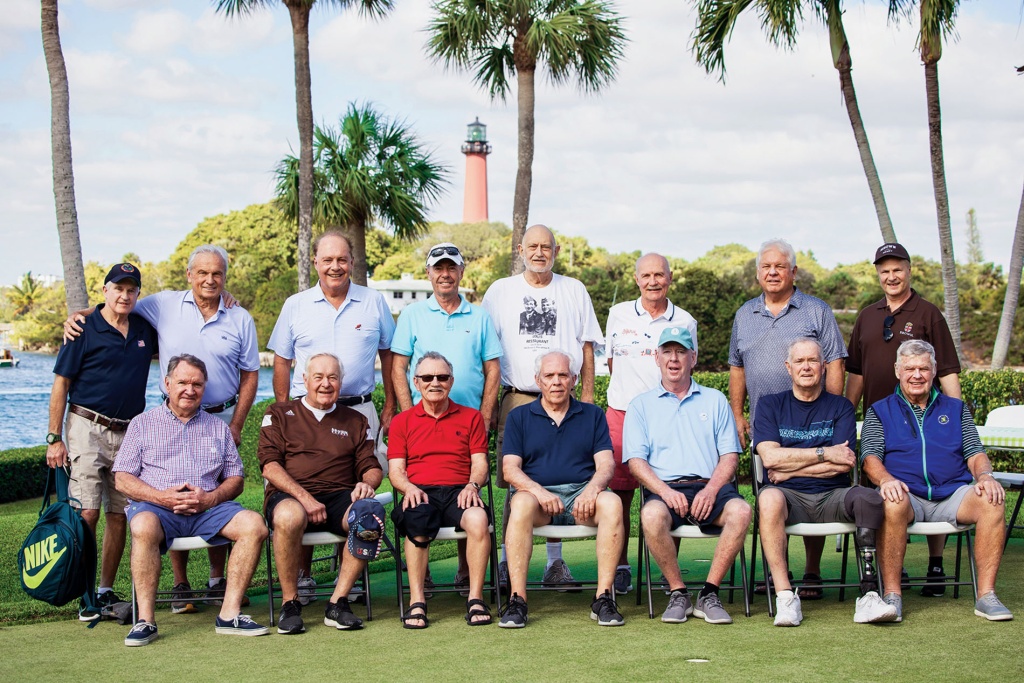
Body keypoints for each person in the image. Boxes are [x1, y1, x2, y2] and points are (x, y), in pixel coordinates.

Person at [65, 245, 261, 612]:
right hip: (173, 413)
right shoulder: (165, 304)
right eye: (202, 272)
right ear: (189, 275)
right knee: (173, 483)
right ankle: (181, 585)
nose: (209, 279)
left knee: (217, 495)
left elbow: (251, 374)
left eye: (217, 274)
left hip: (220, 417)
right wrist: (79, 316)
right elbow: (119, 303)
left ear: (225, 278)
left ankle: (218, 580)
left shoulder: (240, 317)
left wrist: (235, 424)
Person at [268, 230, 396, 601]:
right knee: (304, 481)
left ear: (352, 263)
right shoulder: (296, 304)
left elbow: (389, 354)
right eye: (327, 260)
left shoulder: (373, 301)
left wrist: (388, 404)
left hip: (359, 408)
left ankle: (347, 578)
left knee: (356, 485)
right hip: (305, 413)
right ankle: (303, 574)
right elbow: (281, 359)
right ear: (315, 263)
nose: (335, 266)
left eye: (342, 259)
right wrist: (283, 408)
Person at [113, 354, 270, 646]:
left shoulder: (217, 427)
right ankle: (145, 621)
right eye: (183, 382)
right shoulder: (142, 424)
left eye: (197, 384)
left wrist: (209, 499)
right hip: (158, 509)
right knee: (143, 525)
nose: (190, 389)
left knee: (254, 525)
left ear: (204, 387)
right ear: (167, 383)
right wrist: (162, 497)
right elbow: (122, 478)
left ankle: (229, 614)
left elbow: (236, 479)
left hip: (207, 509)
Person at [482, 224, 604, 592]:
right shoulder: (500, 291)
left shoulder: (574, 289)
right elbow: (487, 349)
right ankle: (507, 562)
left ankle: (554, 563)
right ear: (520, 248)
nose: (539, 252)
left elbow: (586, 346)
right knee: (515, 483)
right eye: (532, 246)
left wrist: (589, 396)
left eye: (545, 246)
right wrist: (488, 405)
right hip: (519, 395)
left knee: (563, 473)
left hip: (567, 398)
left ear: (556, 249)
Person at [862, 339, 1013, 622]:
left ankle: (986, 596)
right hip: (907, 495)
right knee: (891, 502)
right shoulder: (879, 410)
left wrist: (985, 476)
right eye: (910, 368)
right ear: (897, 371)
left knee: (992, 500)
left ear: (934, 371)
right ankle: (893, 595)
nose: (916, 375)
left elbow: (974, 452)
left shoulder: (955, 408)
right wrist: (885, 480)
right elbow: (870, 456)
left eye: (924, 368)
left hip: (953, 494)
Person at [729, 238, 847, 598]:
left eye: (780, 266)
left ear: (793, 271)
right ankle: (774, 572)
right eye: (766, 267)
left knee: (817, 490)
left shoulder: (816, 311)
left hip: (814, 419)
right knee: (770, 493)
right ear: (757, 273)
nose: (773, 272)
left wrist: (833, 409)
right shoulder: (744, 314)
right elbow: (737, 367)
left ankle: (812, 573)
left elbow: (836, 362)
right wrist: (738, 414)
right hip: (768, 426)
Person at [753, 338, 896, 626]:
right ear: (788, 367)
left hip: (834, 495)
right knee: (767, 498)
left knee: (869, 498)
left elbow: (842, 463)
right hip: (788, 498)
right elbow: (769, 458)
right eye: (800, 361)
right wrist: (823, 452)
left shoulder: (841, 407)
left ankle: (869, 596)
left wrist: (791, 468)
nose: (806, 367)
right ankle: (785, 598)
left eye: (813, 361)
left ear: (824, 366)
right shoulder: (770, 405)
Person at [846, 242, 962, 596]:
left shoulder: (928, 314)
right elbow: (856, 373)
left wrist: (956, 418)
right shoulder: (867, 315)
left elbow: (947, 371)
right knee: (883, 492)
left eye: (897, 269)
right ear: (878, 274)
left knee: (938, 480)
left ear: (909, 270)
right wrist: (844, 417)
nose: (891, 276)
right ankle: (890, 568)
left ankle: (936, 566)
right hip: (881, 420)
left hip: (924, 417)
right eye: (884, 270)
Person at [46, 263, 158, 621]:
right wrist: (54, 438)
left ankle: (105, 590)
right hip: (85, 426)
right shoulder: (83, 330)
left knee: (119, 514)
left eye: (131, 290)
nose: (124, 295)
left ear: (137, 294)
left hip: (130, 431)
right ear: (105, 290)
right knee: (87, 512)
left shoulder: (144, 329)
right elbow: (61, 385)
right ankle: (84, 593)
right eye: (118, 288)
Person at [391, 242, 501, 594]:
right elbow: (399, 367)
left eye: (451, 267)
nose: (445, 274)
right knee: (429, 486)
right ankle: (420, 576)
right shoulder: (412, 315)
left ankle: (466, 571)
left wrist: (484, 417)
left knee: (464, 489)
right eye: (438, 268)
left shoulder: (480, 316)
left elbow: (492, 370)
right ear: (429, 273)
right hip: (425, 418)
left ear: (461, 272)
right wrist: (410, 414)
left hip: (467, 421)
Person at [624, 327, 752, 625]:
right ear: (656, 358)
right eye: (667, 352)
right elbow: (636, 463)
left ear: (693, 358)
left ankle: (709, 592)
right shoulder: (641, 405)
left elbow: (730, 457)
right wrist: (666, 493)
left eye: (681, 351)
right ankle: (678, 591)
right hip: (665, 489)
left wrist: (711, 490)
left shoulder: (715, 399)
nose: (674, 359)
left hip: (712, 487)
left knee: (742, 510)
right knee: (652, 515)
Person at [257, 353, 386, 634]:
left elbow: (372, 466)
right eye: (318, 377)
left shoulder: (355, 419)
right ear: (304, 380)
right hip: (290, 496)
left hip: (339, 496)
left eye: (332, 377)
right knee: (289, 516)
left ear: (340, 382)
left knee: (370, 514)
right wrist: (304, 498)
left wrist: (368, 483)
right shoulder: (278, 413)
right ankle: (290, 603)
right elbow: (269, 466)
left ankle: (338, 602)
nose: (325, 384)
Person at [498, 351, 624, 628]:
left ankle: (603, 598)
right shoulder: (519, 416)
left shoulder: (592, 414)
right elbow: (510, 470)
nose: (556, 382)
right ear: (537, 381)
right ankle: (517, 600)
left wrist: (592, 491)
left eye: (563, 375)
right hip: (538, 500)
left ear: (574, 380)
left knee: (612, 503)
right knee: (518, 503)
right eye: (549, 376)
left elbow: (605, 465)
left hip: (583, 497)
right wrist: (540, 493)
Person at [604, 252, 698, 596]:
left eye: (659, 275)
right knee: (620, 494)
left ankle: (667, 570)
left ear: (669, 279)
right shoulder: (618, 314)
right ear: (636, 279)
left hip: (668, 413)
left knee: (672, 488)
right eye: (646, 275)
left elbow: (688, 366)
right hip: (622, 413)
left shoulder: (685, 320)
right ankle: (621, 565)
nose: (653, 281)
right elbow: (612, 362)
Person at [388, 352, 492, 628]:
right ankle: (417, 601)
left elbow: (480, 463)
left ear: (451, 381)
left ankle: (475, 598)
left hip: (461, 490)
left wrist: (473, 484)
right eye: (427, 377)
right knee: (416, 521)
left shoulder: (471, 418)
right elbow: (396, 470)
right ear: (416, 382)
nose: (435, 382)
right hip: (420, 491)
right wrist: (408, 487)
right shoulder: (402, 421)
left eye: (442, 377)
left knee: (479, 519)